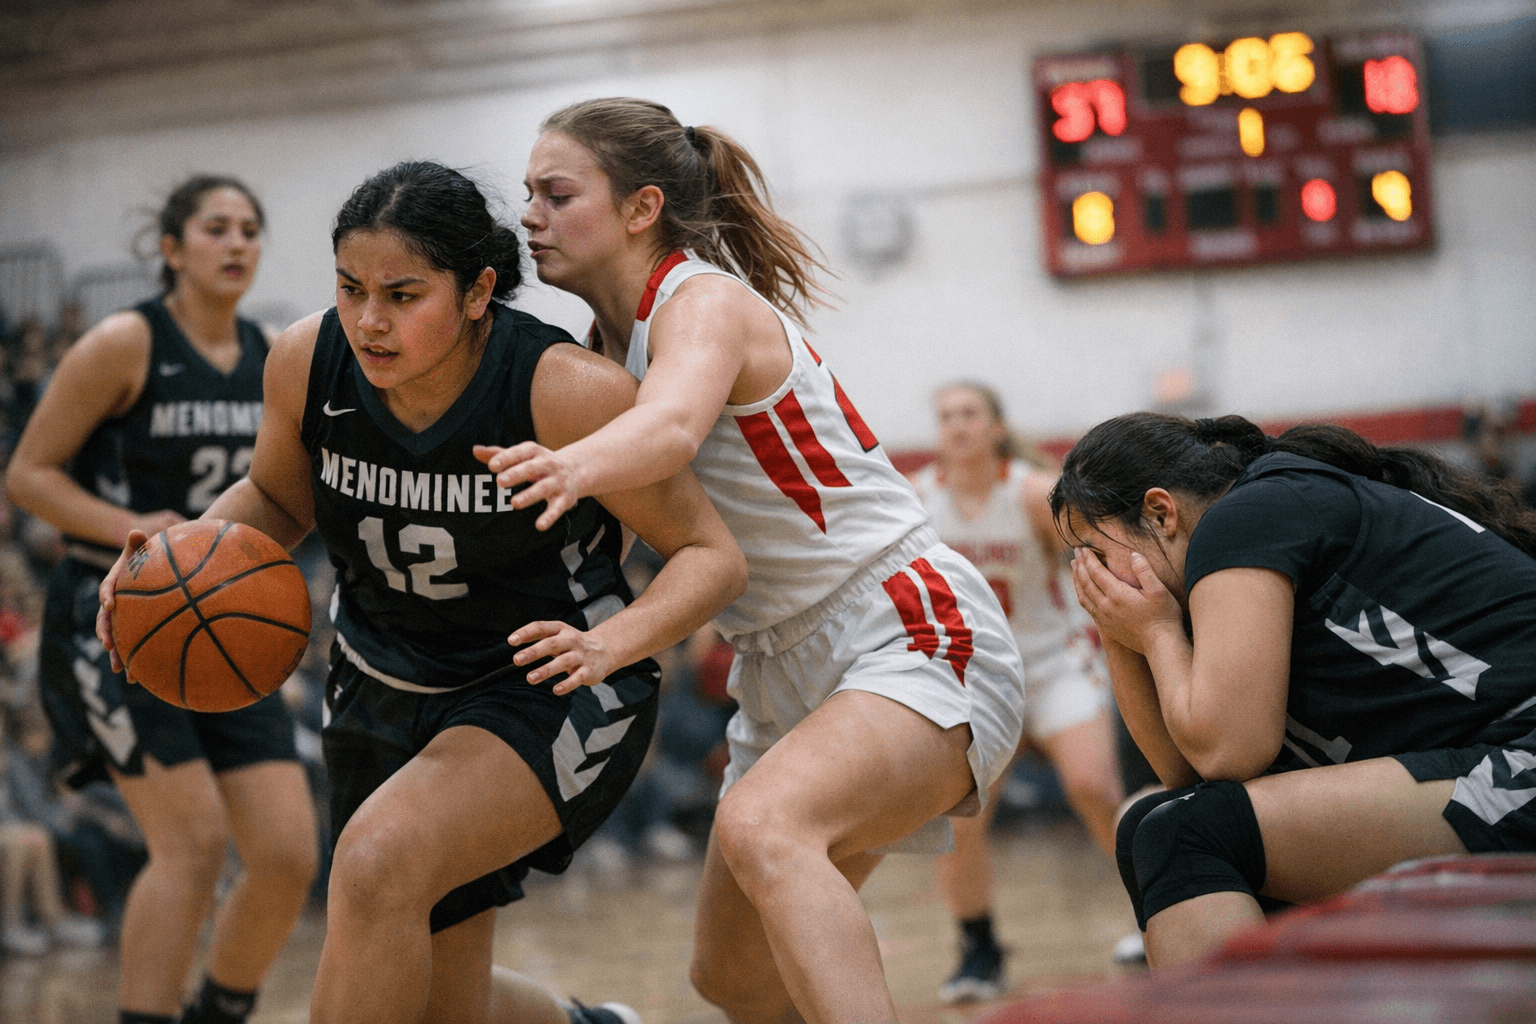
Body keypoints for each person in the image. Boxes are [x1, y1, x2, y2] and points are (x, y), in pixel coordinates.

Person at [94, 160, 746, 1024]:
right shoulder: (308, 360)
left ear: (478, 292)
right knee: (441, 997)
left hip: (542, 685)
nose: (369, 319)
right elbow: (277, 500)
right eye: (350, 288)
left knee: (375, 861)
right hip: (380, 680)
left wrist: (610, 644)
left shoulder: (563, 391)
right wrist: (175, 562)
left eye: (402, 295)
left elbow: (710, 555)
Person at [489, 97, 1026, 1024]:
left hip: (902, 623)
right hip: (776, 661)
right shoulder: (597, 354)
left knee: (766, 824)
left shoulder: (702, 302)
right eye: (528, 193)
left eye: (556, 194)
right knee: (734, 978)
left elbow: (669, 428)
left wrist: (569, 466)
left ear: (642, 208)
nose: (529, 215)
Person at [1051, 412, 1536, 969]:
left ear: (1161, 513)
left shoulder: (1245, 519)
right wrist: (1122, 631)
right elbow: (1188, 771)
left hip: (1522, 750)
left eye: (1096, 553)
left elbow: (1228, 751)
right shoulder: (1226, 548)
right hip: (1493, 754)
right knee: (1155, 821)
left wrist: (1156, 633)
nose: (1092, 575)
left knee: (1185, 836)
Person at [5, 175, 319, 1024]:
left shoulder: (271, 354)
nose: (237, 243)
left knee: (287, 854)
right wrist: (135, 527)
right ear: (172, 249)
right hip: (117, 621)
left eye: (250, 228)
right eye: (216, 227)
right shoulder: (124, 342)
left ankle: (218, 1012)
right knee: (192, 845)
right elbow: (27, 475)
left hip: (225, 620)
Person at [910, 382, 1125, 1000]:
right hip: (972, 674)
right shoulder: (918, 498)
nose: (956, 425)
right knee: (958, 818)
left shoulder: (1033, 494)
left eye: (969, 414)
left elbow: (1102, 559)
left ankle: (1156, 911)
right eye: (945, 416)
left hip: (1053, 660)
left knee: (1094, 787)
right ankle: (978, 949)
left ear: (996, 428)